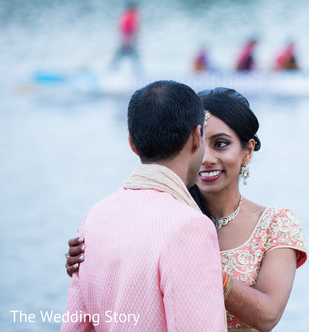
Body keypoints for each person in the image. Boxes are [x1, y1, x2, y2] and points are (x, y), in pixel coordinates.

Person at [66, 87, 308, 332]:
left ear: (247, 151)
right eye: (201, 144)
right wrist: (94, 258)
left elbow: (268, 315)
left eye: (221, 144)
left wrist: (202, 264)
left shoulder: (274, 223)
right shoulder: (169, 219)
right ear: (191, 142)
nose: (206, 157)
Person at [62, 81, 226, 331]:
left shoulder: (95, 217)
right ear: (196, 136)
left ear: (132, 143)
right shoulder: (190, 226)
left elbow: (75, 326)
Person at [109, 1, 142, 73]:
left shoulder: (130, 15)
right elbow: (125, 29)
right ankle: (112, 72)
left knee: (121, 57)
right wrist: (127, 41)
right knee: (133, 58)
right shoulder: (129, 17)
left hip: (128, 41)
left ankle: (112, 71)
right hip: (128, 41)